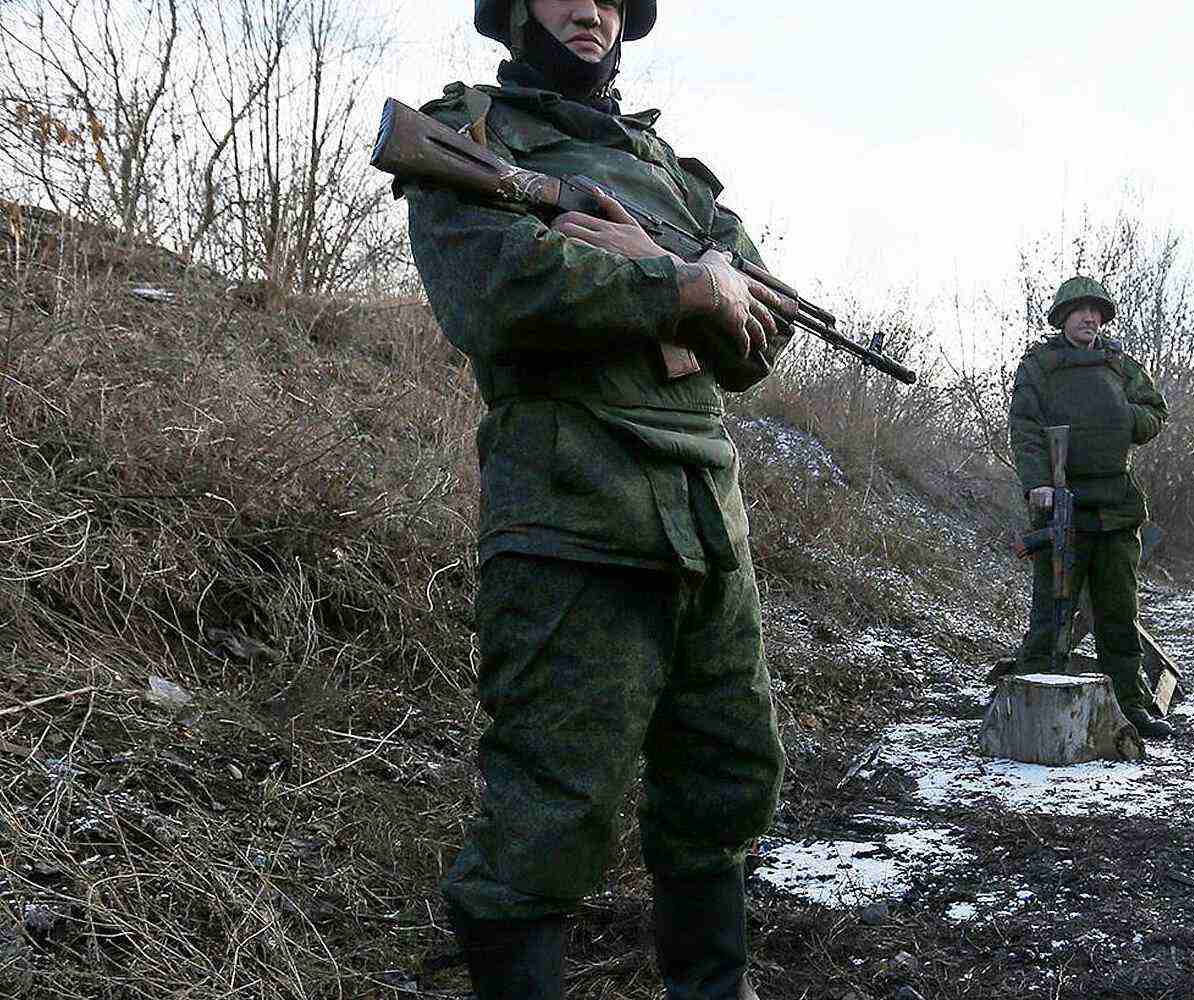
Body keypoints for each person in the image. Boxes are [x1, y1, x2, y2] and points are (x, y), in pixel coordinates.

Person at [401, 2, 790, 996]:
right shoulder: (473, 134)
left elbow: (759, 343)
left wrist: (678, 270)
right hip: (572, 518)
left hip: (708, 521)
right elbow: (495, 292)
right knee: (547, 811)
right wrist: (678, 288)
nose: (592, 11)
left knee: (725, 785)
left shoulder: (676, 177)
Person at [1007, 277, 1175, 741]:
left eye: (1096, 311)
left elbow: (1155, 413)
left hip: (1116, 509)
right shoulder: (1040, 366)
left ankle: (1129, 705)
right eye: (1080, 310)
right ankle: (1031, 703)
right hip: (1062, 506)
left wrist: (1124, 417)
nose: (1089, 318)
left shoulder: (1120, 365)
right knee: (1051, 614)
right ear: (1062, 317)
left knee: (1119, 614)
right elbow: (1024, 427)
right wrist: (1037, 483)